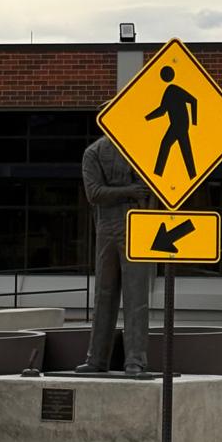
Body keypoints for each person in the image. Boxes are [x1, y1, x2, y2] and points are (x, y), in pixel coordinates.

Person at [77, 135, 152, 375]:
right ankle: (96, 359)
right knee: (104, 294)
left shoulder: (140, 147)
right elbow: (94, 193)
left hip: (138, 227)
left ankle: (135, 360)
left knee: (137, 296)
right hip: (107, 227)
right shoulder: (94, 152)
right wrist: (130, 191)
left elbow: (151, 190)